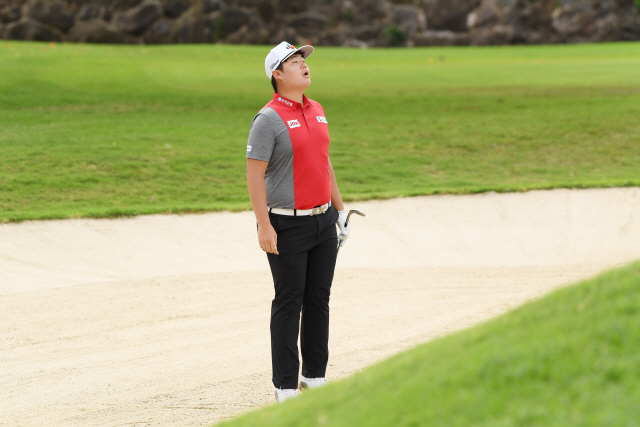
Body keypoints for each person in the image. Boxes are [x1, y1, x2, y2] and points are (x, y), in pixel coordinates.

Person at [246, 41, 351, 404]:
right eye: (294, 61)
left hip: (323, 221)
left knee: (319, 299)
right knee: (290, 301)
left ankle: (315, 377)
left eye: (303, 59)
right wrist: (263, 224)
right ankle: (286, 387)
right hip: (286, 225)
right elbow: (254, 175)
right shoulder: (268, 119)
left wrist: (340, 211)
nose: (304, 65)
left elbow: (324, 161)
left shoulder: (317, 110)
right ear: (277, 74)